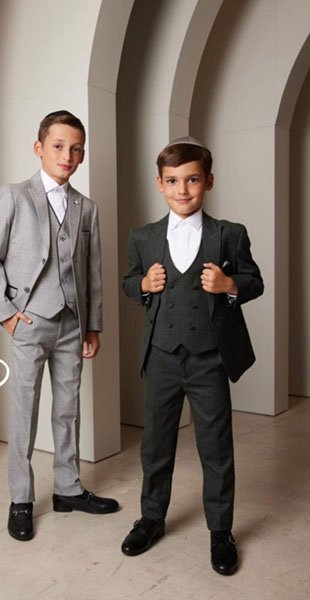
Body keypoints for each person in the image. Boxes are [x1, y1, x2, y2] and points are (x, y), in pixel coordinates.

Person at [120, 137, 263, 575]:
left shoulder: (230, 234)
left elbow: (254, 281)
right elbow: (128, 282)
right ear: (159, 184)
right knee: (155, 444)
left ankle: (221, 531)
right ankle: (151, 518)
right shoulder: (143, 237)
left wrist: (230, 285)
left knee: (216, 446)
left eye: (192, 180)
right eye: (172, 181)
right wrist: (143, 285)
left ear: (209, 182)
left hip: (209, 359)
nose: (182, 190)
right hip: (161, 356)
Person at [0, 110, 119, 542]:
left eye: (76, 149)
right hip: (30, 321)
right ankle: (21, 498)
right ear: (39, 148)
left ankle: (67, 488)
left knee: (68, 408)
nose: (67, 155)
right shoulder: (14, 196)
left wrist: (92, 326)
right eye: (58, 146)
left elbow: (92, 273)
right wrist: (6, 313)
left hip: (72, 325)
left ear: (83, 155)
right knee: (24, 409)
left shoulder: (87, 208)